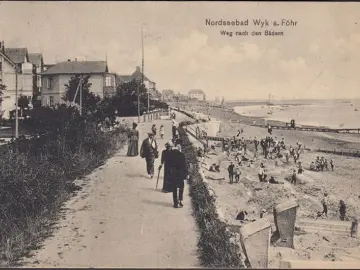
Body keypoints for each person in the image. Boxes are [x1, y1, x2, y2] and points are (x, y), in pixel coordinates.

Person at [168, 144, 188, 208]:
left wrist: (170, 172)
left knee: (174, 188)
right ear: (180, 149)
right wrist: (186, 174)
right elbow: (185, 165)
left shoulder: (171, 155)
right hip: (180, 174)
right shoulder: (182, 155)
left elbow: (169, 164)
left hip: (173, 174)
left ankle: (175, 203)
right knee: (181, 187)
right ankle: (180, 201)